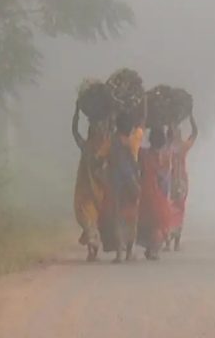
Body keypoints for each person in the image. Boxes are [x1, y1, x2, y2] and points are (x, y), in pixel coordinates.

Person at [100, 111, 142, 263]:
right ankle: (130, 252)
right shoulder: (133, 141)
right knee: (132, 217)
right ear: (130, 127)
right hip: (132, 184)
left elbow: (99, 158)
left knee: (117, 218)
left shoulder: (111, 142)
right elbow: (141, 123)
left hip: (115, 185)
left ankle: (119, 253)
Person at [71, 104, 111, 262]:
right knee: (90, 222)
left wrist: (76, 114)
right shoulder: (90, 146)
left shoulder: (102, 147)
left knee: (93, 222)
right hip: (88, 193)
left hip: (98, 193)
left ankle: (93, 248)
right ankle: (92, 248)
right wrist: (76, 114)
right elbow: (74, 132)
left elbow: (75, 132)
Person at [137, 126, 175, 260]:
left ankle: (150, 247)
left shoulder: (143, 153)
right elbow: (164, 177)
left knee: (147, 222)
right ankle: (153, 249)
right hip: (158, 193)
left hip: (144, 191)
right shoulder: (165, 156)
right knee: (159, 223)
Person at [166, 113, 199, 252]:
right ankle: (175, 242)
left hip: (170, 181)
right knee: (179, 209)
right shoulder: (182, 146)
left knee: (170, 208)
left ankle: (169, 240)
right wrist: (192, 119)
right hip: (178, 182)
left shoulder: (168, 147)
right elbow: (195, 133)